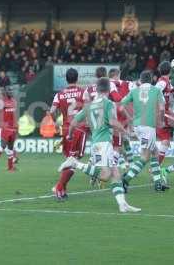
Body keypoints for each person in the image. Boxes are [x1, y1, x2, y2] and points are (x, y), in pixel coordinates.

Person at [58, 77, 141, 213]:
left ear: (96, 89)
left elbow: (73, 122)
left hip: (99, 143)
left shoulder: (88, 106)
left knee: (115, 173)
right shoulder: (109, 103)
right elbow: (113, 122)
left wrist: (70, 135)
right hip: (103, 144)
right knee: (105, 175)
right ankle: (74, 163)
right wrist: (127, 132)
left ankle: (123, 204)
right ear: (109, 89)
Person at [120, 70, 167, 192]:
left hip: (138, 125)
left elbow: (121, 105)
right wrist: (161, 121)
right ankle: (126, 180)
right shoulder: (157, 91)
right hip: (148, 126)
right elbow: (162, 108)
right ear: (151, 79)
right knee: (145, 156)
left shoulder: (134, 91)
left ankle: (158, 183)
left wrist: (130, 117)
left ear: (140, 80)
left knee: (155, 152)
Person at [50, 68, 86, 199]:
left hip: (66, 129)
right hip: (79, 128)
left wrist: (55, 123)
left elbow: (52, 110)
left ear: (66, 79)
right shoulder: (83, 92)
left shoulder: (59, 94)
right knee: (74, 160)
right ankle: (59, 186)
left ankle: (63, 191)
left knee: (68, 160)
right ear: (77, 78)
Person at [0, 86, 18, 172]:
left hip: (13, 127)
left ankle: (10, 167)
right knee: (3, 145)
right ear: (5, 92)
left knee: (10, 148)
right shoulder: (1, 102)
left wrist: (16, 125)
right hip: (5, 127)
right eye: (9, 91)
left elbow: (14, 114)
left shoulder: (14, 101)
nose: (11, 92)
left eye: (12, 91)